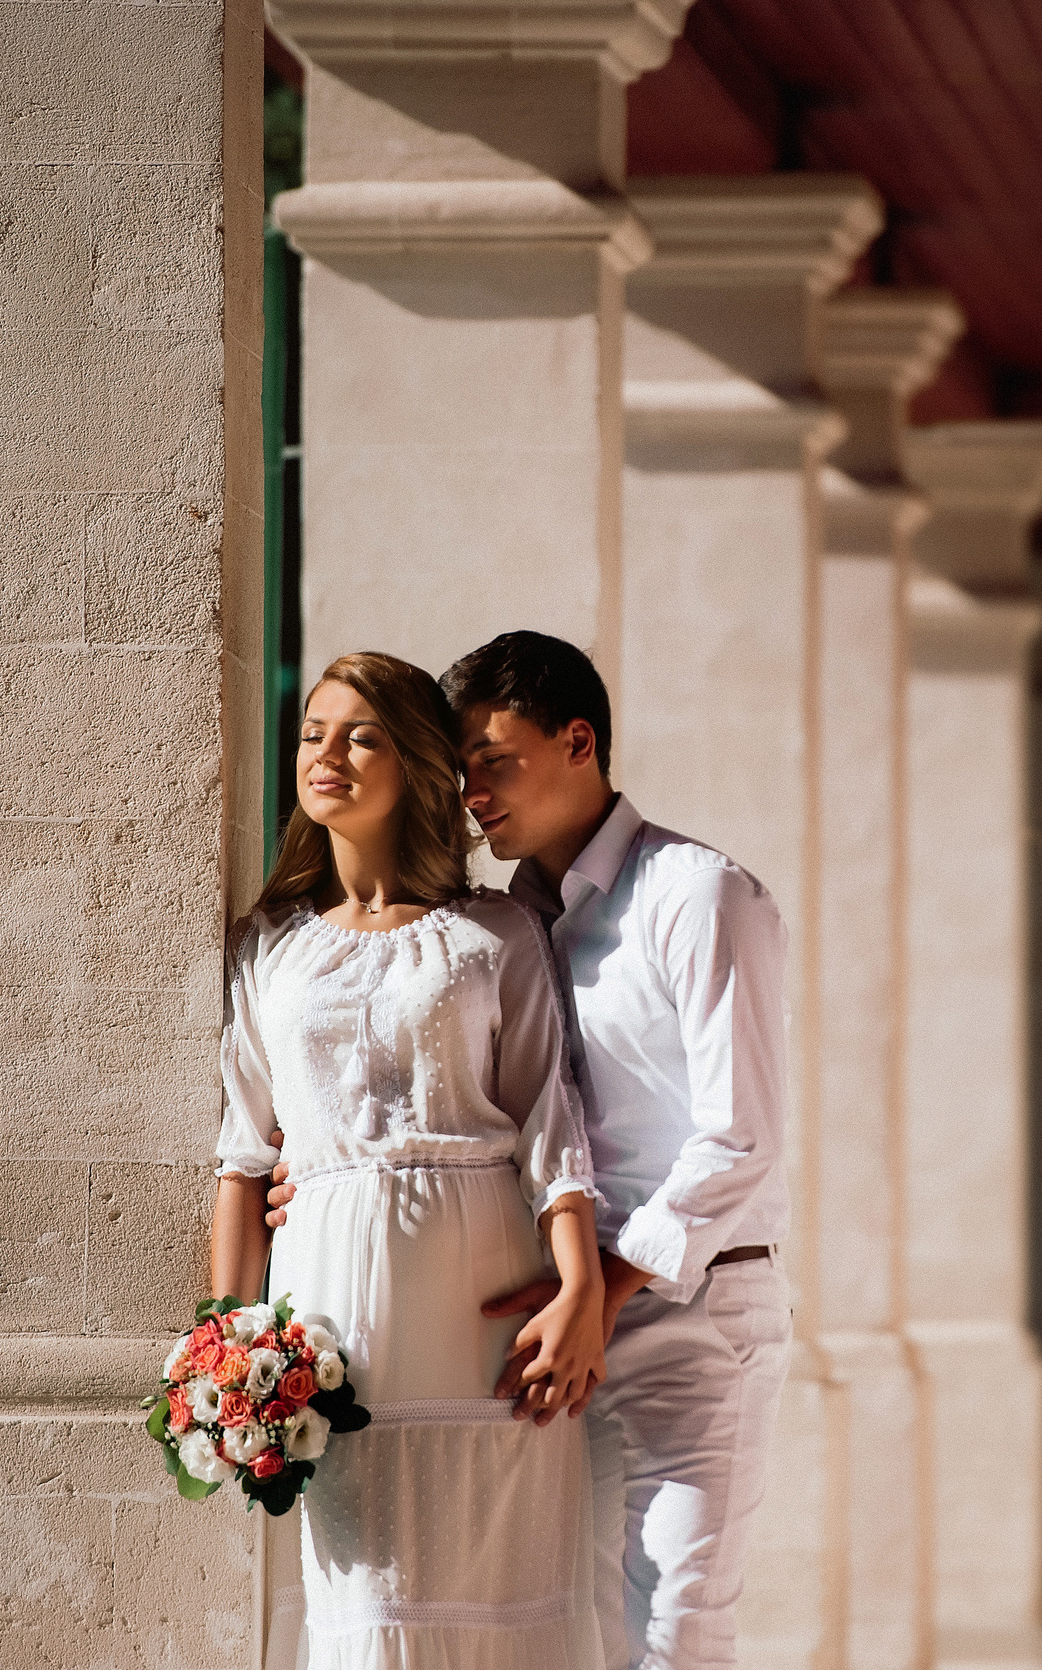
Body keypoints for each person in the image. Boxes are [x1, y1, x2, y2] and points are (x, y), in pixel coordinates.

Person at [266, 632, 793, 1670]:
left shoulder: (697, 896)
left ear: (580, 742)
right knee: (574, 1636)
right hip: (548, 1335)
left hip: (690, 1319)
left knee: (675, 1636)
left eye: (496, 761)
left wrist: (604, 1290)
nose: (473, 792)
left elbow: (741, 1139)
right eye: (462, 769)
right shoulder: (500, 923)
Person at [209, 650, 612, 1670]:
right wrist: (225, 1347)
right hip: (332, 1317)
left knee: (507, 1599)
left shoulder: (495, 933)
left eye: (361, 735)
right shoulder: (267, 948)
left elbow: (546, 1126)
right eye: (312, 733)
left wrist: (579, 1289)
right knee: (365, 1605)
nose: (327, 754)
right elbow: (244, 1155)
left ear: (416, 763)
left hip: (485, 1316)